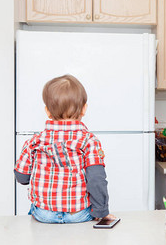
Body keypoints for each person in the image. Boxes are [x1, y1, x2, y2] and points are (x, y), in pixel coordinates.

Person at [14, 74, 116, 223]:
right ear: (84, 109)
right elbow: (96, 180)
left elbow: (21, 177)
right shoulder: (89, 141)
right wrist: (101, 212)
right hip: (78, 214)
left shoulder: (35, 141)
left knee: (35, 211)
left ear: (47, 111)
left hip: (44, 214)